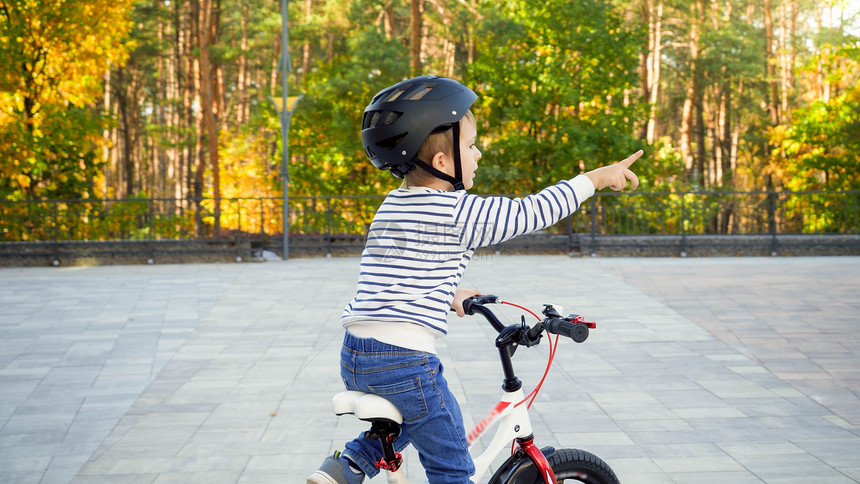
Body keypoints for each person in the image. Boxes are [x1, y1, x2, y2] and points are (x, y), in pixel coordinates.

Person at [307, 75, 641, 484]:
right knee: (453, 465)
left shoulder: (393, 205)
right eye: (470, 146)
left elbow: (396, 271)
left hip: (357, 354)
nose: (479, 153)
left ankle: (349, 464)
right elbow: (528, 213)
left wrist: (449, 295)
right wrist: (593, 179)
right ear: (443, 163)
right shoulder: (456, 211)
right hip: (405, 359)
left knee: (423, 412)